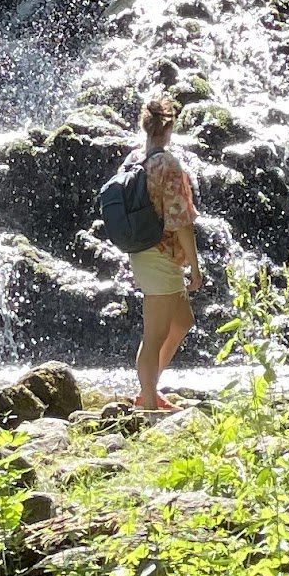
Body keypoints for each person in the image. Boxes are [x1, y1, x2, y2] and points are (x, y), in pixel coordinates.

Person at [127, 92, 202, 414]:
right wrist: (195, 267)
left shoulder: (134, 160)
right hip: (160, 255)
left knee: (182, 321)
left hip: (144, 250)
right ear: (169, 128)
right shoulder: (167, 164)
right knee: (155, 334)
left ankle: (148, 388)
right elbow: (180, 220)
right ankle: (147, 404)